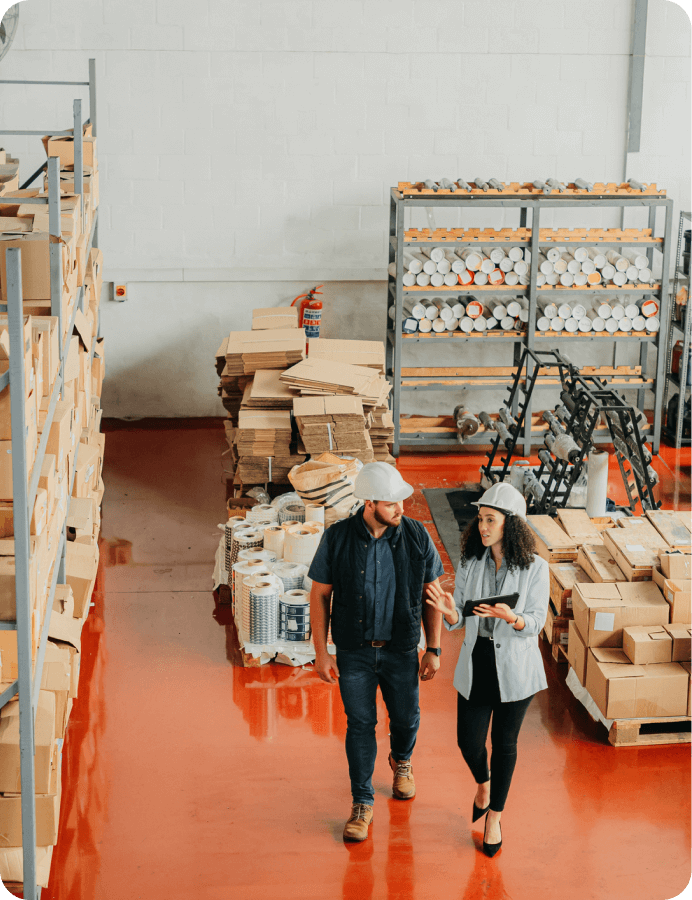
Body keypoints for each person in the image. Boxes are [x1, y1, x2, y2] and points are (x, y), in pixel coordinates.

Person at [309, 461, 445, 842]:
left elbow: (432, 595)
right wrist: (322, 653)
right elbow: (319, 594)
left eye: (402, 500)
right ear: (369, 503)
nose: (401, 508)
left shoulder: (417, 536)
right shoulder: (336, 538)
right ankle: (362, 802)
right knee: (360, 725)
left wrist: (432, 648)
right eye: (392, 503)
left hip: (401, 650)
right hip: (354, 653)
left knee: (405, 719)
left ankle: (402, 760)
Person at [426, 482, 549, 857]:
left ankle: (495, 816)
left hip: (515, 667)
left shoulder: (535, 567)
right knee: (469, 740)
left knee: (505, 744)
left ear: (509, 524)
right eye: (480, 519)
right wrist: (450, 615)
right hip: (478, 661)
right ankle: (484, 783)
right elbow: (460, 611)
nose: (482, 526)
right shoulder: (470, 562)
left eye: (490, 520)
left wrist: (513, 618)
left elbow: (537, 621)